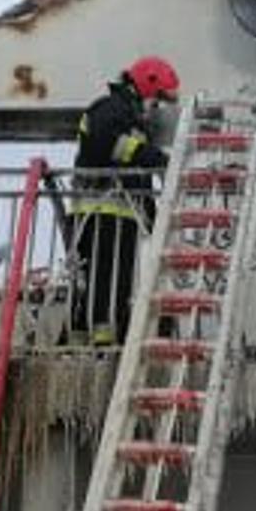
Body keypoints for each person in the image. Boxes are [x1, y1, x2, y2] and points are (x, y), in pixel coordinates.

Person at [68, 56, 180, 346]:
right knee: (102, 277)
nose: (157, 107)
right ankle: (99, 342)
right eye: (158, 99)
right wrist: (154, 157)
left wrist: (154, 222)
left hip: (122, 213)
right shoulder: (109, 108)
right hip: (99, 210)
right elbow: (105, 143)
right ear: (147, 84)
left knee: (116, 280)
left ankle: (98, 336)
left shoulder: (132, 118)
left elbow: (137, 179)